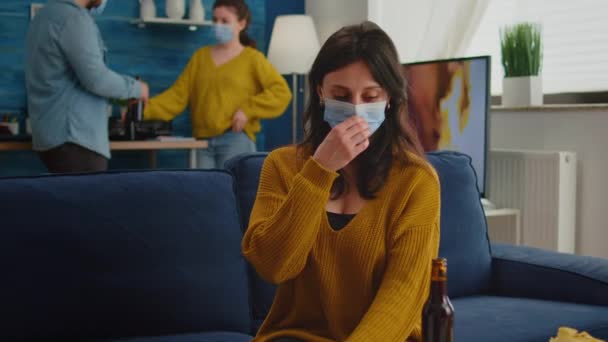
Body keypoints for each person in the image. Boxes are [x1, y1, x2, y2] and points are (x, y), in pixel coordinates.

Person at [243, 21, 441, 342]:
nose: (356, 109)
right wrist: (319, 170)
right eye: (341, 95)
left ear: (389, 97)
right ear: (320, 92)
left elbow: (403, 293)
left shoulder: (416, 181)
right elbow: (273, 266)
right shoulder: (282, 166)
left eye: (371, 95)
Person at [144, 0, 291, 169]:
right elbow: (177, 96)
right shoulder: (200, 57)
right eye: (215, 20)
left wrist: (248, 110)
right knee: (201, 193)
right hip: (200, 143)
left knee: (234, 192)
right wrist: (143, 110)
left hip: (235, 139)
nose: (218, 25)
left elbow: (281, 92)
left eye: (224, 21)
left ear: (241, 24)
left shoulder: (253, 59)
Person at [25, 0, 149, 173]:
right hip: (76, 139)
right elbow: (96, 79)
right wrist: (137, 88)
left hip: (52, 137)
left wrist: (122, 99)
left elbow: (64, 80)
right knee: (89, 199)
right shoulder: (74, 19)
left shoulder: (45, 15)